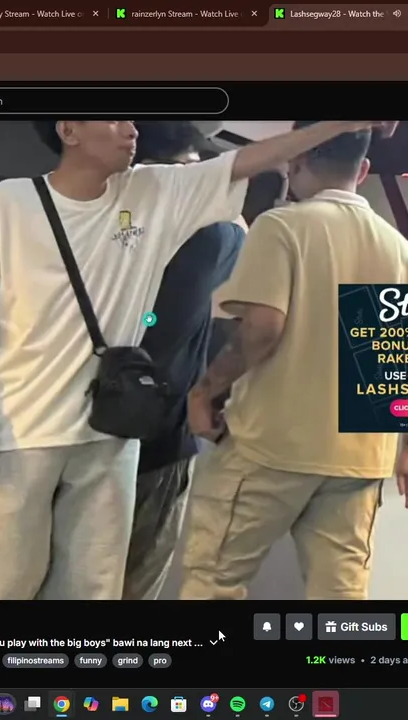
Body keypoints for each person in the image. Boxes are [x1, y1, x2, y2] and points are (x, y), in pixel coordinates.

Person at [0, 119, 379, 599]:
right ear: (69, 131)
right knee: (2, 579)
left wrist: (342, 121)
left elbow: (249, 160)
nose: (130, 129)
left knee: (94, 585)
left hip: (112, 431)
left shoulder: (152, 192)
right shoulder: (8, 202)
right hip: (21, 424)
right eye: (114, 118)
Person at [181, 120, 408, 601]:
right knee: (341, 596)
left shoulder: (282, 226)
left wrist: (204, 391)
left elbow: (262, 329)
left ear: (296, 161)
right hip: (360, 457)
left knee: (213, 581)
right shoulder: (401, 250)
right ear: (363, 170)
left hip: (270, 445)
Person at [123, 122, 246, 600]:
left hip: (73, 427)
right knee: (135, 579)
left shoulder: (102, 213)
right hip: (159, 435)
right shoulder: (213, 237)